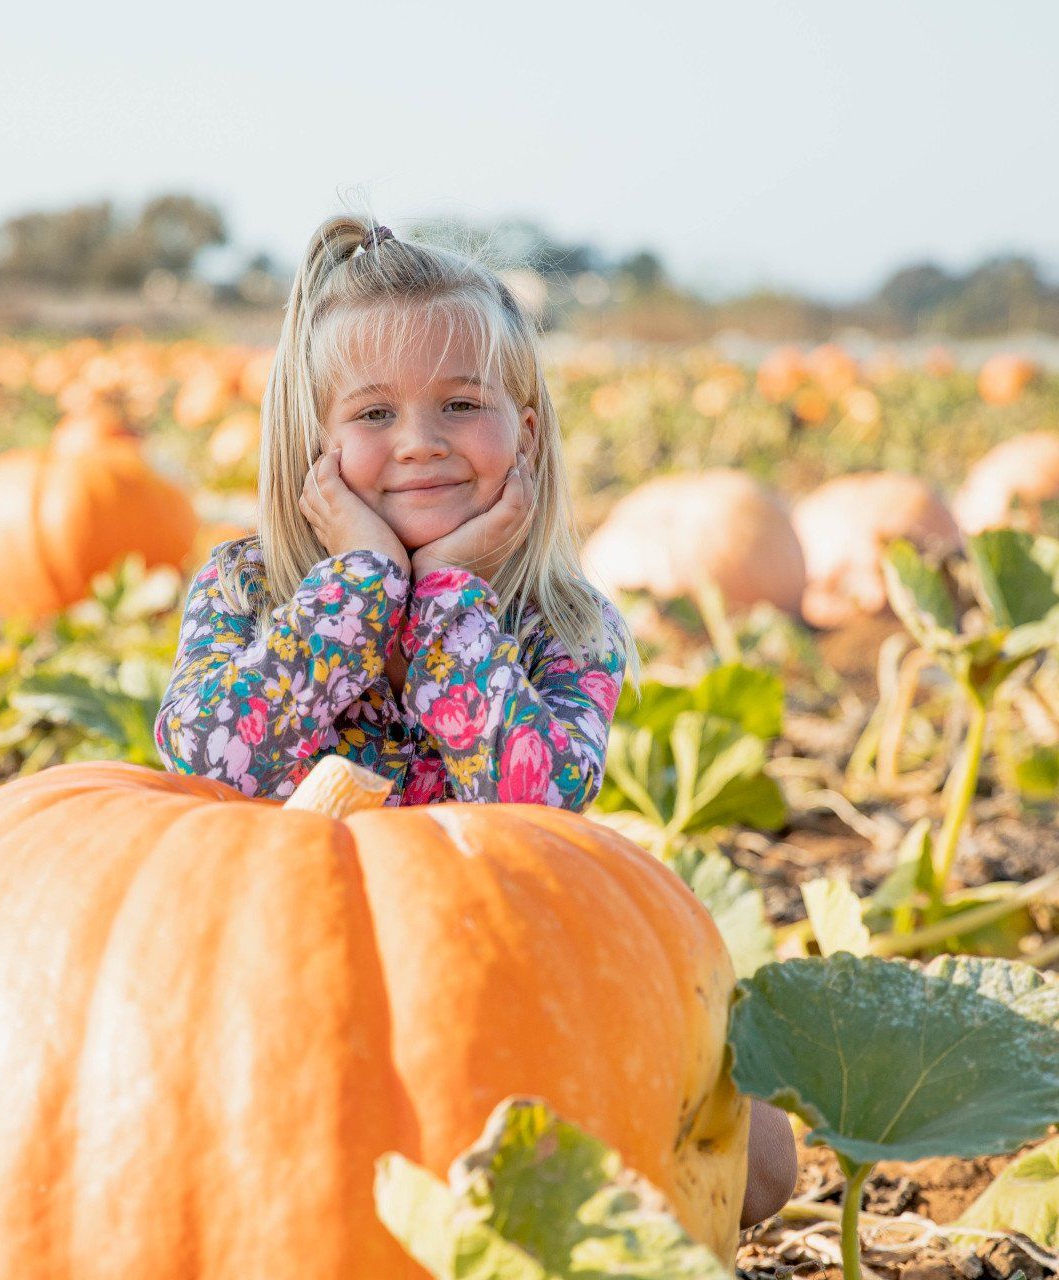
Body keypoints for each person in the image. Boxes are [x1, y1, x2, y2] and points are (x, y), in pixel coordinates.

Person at [154, 213, 797, 1227]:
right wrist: (361, 583)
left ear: (525, 431)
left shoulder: (568, 625)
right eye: (374, 413)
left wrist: (452, 592)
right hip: (270, 978)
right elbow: (214, 749)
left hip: (488, 980)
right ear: (315, 445)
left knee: (758, 1155)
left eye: (462, 402)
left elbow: (538, 798)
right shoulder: (248, 587)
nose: (420, 440)